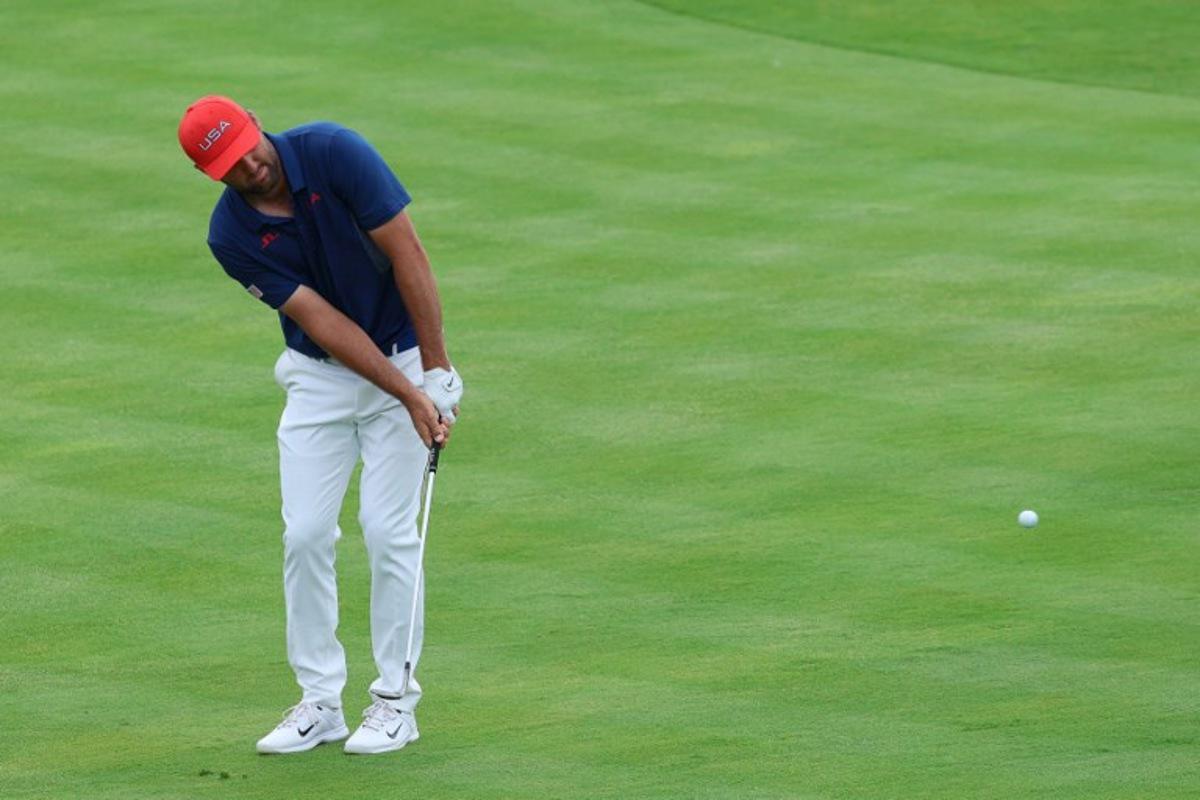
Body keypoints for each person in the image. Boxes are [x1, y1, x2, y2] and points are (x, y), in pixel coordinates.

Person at [177, 95, 463, 755]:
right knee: (305, 533)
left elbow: (409, 254)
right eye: (228, 162)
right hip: (319, 375)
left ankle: (395, 702)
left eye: (247, 144)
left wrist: (435, 375)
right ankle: (321, 702)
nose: (249, 164)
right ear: (210, 173)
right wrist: (406, 397)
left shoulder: (336, 152)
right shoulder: (231, 237)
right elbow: (323, 323)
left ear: (254, 121)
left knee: (388, 530)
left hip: (406, 353)